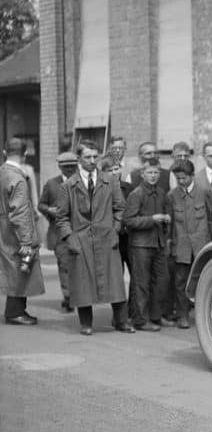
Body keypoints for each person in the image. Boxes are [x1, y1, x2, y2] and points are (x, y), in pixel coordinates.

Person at [56, 140, 135, 335]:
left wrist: (115, 229)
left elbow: (120, 208)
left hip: (107, 238)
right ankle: (86, 323)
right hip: (80, 239)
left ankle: (121, 320)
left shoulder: (109, 181)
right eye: (87, 157)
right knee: (83, 283)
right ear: (79, 159)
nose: (92, 161)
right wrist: (70, 238)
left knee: (114, 280)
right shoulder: (68, 186)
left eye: (94, 156)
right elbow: (62, 217)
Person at [0, 137, 44, 325]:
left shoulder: (2, 173)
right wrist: (27, 241)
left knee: (12, 269)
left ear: (4, 152)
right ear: (25, 155)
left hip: (4, 228)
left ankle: (17, 310)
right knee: (20, 269)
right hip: (14, 232)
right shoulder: (17, 178)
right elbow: (20, 213)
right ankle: (15, 312)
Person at [167, 159, 212, 328]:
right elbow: (170, 225)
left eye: (184, 178)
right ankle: (183, 315)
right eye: (178, 178)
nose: (181, 182)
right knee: (180, 282)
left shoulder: (204, 192)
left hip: (201, 246)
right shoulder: (172, 196)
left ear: (192, 176)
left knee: (204, 280)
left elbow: (211, 219)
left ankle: (205, 315)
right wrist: (171, 246)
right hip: (182, 246)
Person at [124, 163, 171, 331]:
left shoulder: (161, 192)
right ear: (142, 174)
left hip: (158, 243)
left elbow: (165, 215)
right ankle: (140, 320)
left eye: (156, 172)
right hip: (140, 245)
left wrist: (165, 220)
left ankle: (156, 316)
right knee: (141, 283)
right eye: (149, 172)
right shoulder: (136, 194)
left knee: (160, 281)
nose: (153, 176)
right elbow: (129, 221)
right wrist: (152, 219)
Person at [38, 152, 80, 311]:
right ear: (59, 167)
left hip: (80, 233)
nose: (69, 169)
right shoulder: (51, 184)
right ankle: (68, 297)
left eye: (72, 166)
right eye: (66, 167)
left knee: (80, 267)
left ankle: (79, 295)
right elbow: (41, 205)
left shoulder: (83, 182)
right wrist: (50, 210)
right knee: (64, 265)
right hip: (59, 234)